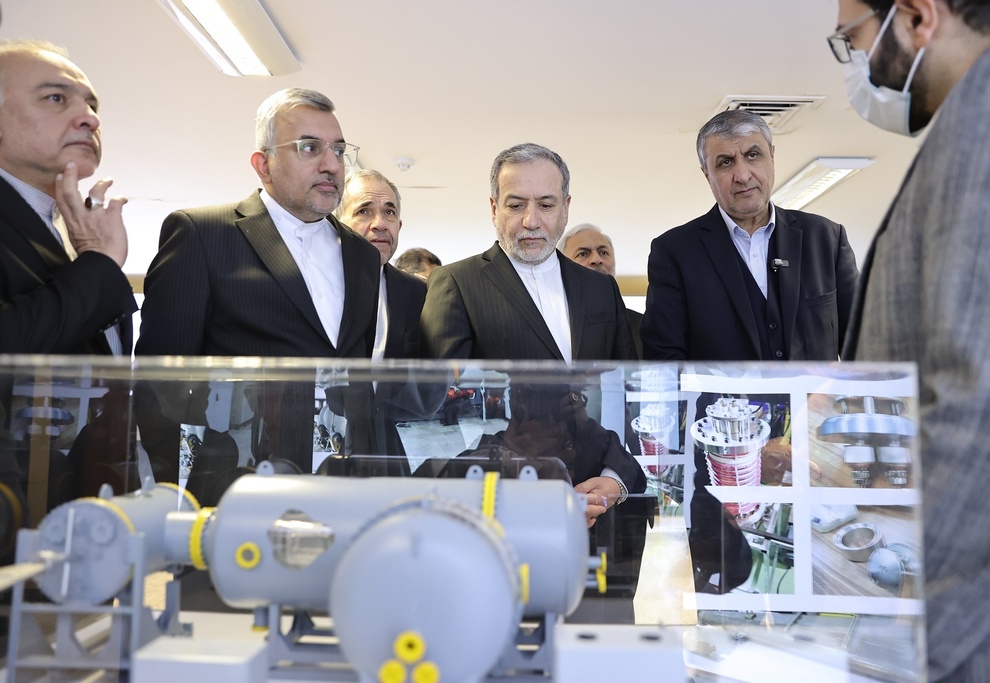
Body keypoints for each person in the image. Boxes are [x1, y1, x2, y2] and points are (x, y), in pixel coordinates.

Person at [830, 1, 990, 680]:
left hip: (975, 627)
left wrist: (887, 625)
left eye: (851, 39)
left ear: (917, 18)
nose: (855, 63)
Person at [136, 88, 380, 475]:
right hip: (233, 476)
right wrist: (168, 487)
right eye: (309, 147)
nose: (331, 164)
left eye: (338, 149)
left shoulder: (363, 255)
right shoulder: (202, 233)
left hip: (338, 477)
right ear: (263, 164)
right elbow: (160, 380)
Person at [420, 142, 644, 521]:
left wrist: (616, 480)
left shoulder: (600, 288)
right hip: (503, 506)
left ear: (566, 207)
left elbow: (627, 394)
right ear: (494, 208)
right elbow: (440, 407)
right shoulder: (456, 282)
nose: (531, 220)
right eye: (515, 204)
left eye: (545, 204)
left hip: (599, 509)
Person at [641, 109, 859, 362]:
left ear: (772, 156)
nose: (743, 176)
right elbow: (664, 360)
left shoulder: (826, 239)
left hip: (815, 402)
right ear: (706, 174)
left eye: (752, 155)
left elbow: (863, 344)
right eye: (725, 162)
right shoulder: (675, 252)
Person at [0, 40, 135, 355]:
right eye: (55, 98)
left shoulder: (77, 230)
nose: (91, 119)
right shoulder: (96, 247)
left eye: (92, 105)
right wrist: (99, 261)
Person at [337, 169, 425, 359]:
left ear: (398, 226)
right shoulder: (311, 285)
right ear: (337, 224)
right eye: (364, 211)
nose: (380, 224)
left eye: (389, 212)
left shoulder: (420, 293)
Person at [557, 223, 643, 356]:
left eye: (603, 253)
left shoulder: (641, 327)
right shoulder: (553, 322)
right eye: (583, 254)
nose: (597, 260)